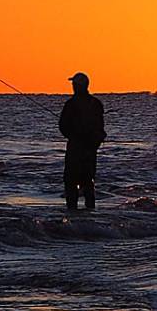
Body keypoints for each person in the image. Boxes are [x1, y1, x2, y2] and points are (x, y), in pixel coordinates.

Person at [58, 71, 106, 211]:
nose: (72, 86)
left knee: (70, 182)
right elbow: (100, 128)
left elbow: (62, 126)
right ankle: (90, 212)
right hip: (90, 150)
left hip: (76, 150)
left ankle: (72, 212)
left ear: (77, 86)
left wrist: (73, 136)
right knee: (88, 181)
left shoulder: (71, 104)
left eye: (73, 84)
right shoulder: (96, 103)